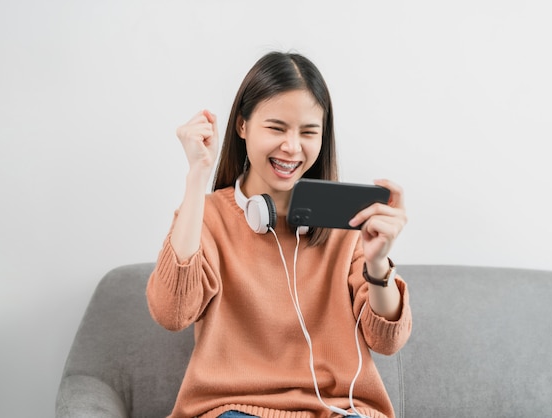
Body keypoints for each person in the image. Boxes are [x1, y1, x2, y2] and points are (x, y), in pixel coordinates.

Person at [146, 51, 412, 418]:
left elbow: (387, 341)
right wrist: (197, 178)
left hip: (340, 410)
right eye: (276, 128)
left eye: (308, 132)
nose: (292, 147)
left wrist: (378, 261)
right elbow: (172, 313)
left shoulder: (347, 223)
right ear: (242, 126)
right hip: (232, 410)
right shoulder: (207, 218)